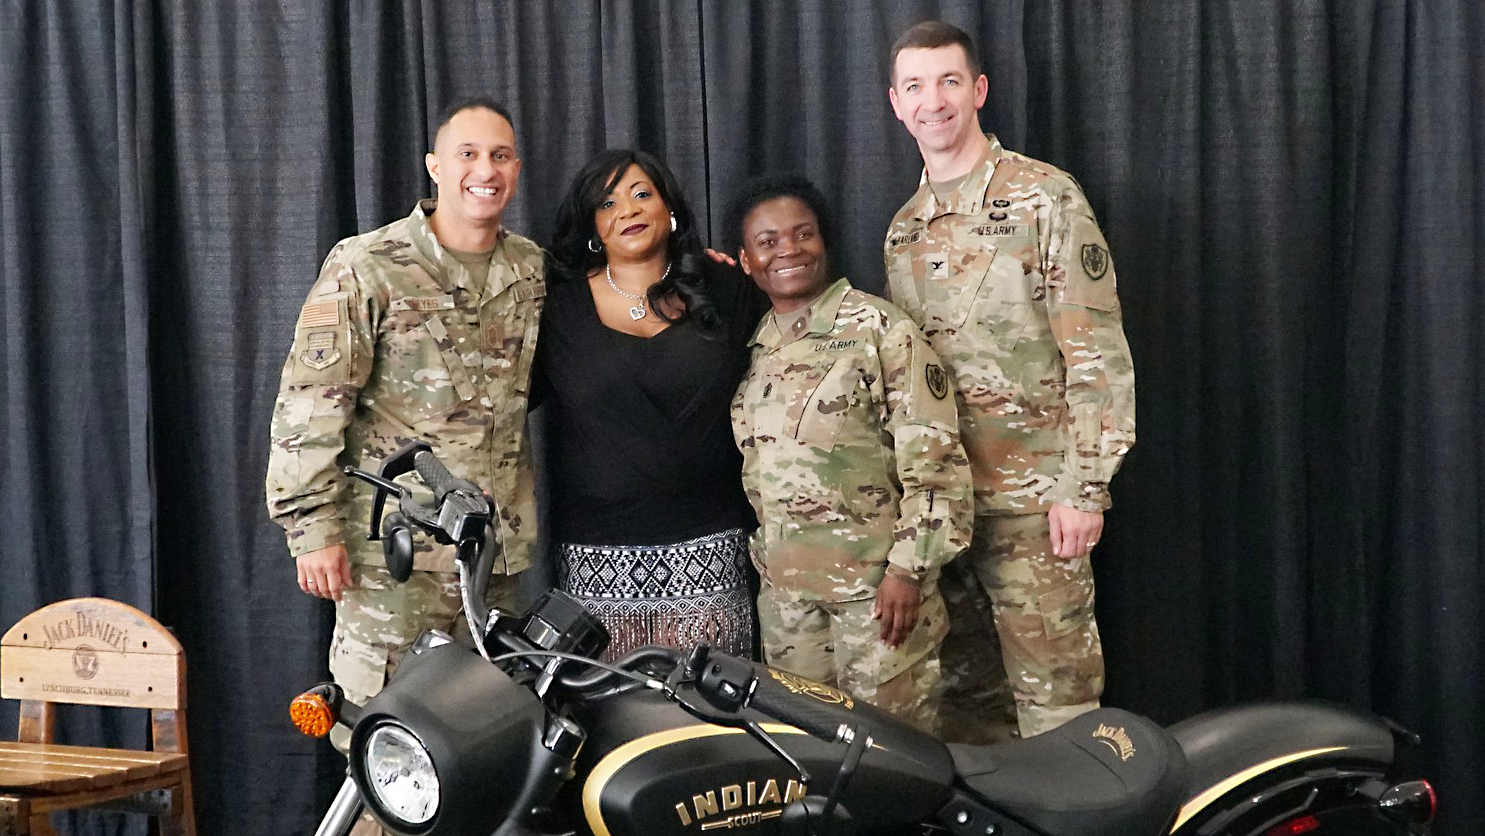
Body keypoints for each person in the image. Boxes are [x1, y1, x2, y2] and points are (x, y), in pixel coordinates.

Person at [883, 21, 1137, 740]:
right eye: (915, 86)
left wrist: (1085, 487)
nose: (933, 101)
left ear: (978, 90)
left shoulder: (1043, 198)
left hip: (1036, 510)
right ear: (895, 105)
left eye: (948, 81)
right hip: (945, 516)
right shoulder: (902, 230)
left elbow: (1096, 353)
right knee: (965, 719)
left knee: (1059, 717)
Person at [267, 97, 545, 740]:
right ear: (435, 167)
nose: (486, 169)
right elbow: (311, 400)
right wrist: (311, 528)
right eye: (468, 154)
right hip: (396, 555)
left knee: (482, 743)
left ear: (518, 169)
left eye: (500, 155)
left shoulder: (528, 270)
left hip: (491, 558)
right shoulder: (367, 264)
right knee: (384, 742)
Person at [727, 175, 972, 732]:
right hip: (789, 607)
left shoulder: (879, 330)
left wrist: (908, 572)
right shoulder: (755, 346)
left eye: (802, 233)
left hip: (877, 602)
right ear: (746, 261)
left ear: (824, 242)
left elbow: (934, 465)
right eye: (767, 242)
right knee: (806, 755)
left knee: (891, 758)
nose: (787, 249)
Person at [534, 149, 766, 661]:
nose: (629, 210)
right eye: (608, 202)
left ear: (670, 208)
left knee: (709, 727)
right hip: (597, 560)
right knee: (614, 725)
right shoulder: (556, 306)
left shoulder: (726, 289)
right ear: (594, 225)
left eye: (642, 194)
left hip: (709, 551)